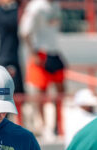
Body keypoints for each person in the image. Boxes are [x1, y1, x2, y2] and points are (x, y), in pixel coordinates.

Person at [19, 0, 66, 138]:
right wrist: (33, 53)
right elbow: (25, 31)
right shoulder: (36, 6)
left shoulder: (56, 5)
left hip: (54, 51)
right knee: (41, 91)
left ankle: (58, 124)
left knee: (61, 91)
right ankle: (44, 125)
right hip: (41, 51)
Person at [0, 0, 25, 95]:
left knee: (13, 91)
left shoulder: (13, 14)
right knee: (4, 91)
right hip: (6, 57)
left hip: (10, 58)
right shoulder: (5, 13)